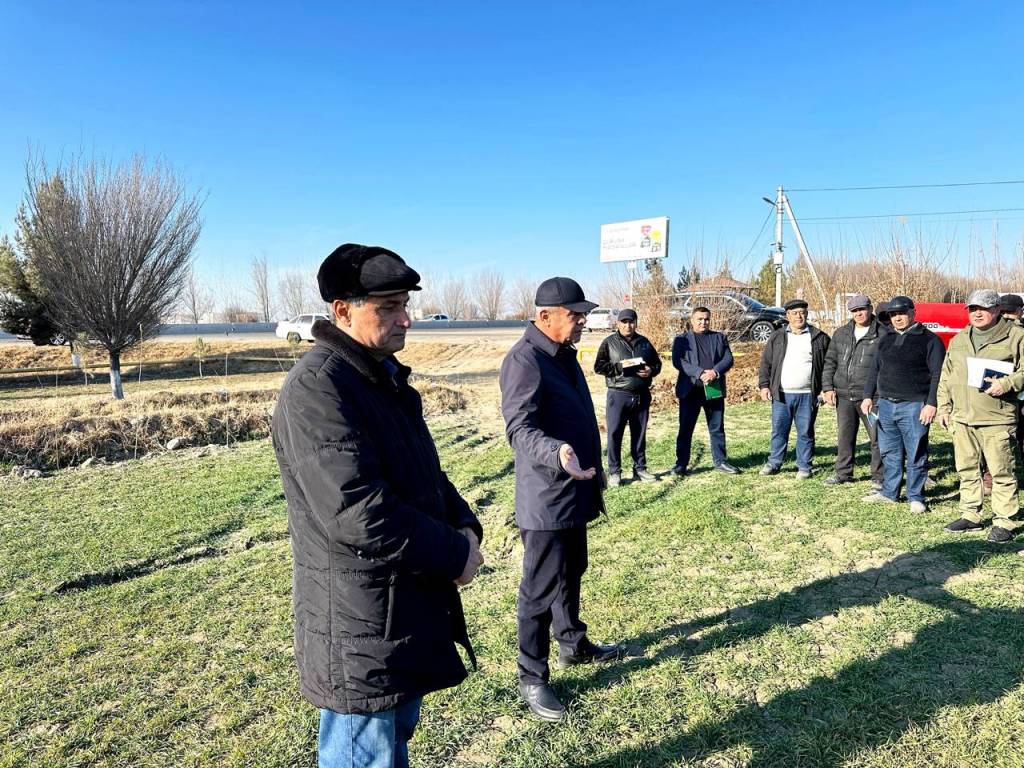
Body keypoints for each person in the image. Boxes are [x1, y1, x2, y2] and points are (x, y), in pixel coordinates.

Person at [272, 243, 485, 768]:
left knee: (391, 743)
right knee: (365, 753)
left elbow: (424, 475)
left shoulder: (381, 379)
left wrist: (463, 524)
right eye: (387, 307)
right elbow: (358, 511)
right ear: (342, 311)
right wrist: (453, 555)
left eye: (404, 305)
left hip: (398, 607)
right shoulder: (319, 390)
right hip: (358, 618)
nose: (405, 320)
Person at [500, 276, 620, 723]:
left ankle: (572, 642)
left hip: (577, 486)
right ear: (545, 316)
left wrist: (591, 465)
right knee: (539, 588)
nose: (583, 322)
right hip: (547, 497)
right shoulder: (525, 360)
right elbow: (520, 428)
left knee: (573, 569)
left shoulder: (563, 355)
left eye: (583, 314)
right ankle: (532, 675)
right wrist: (557, 452)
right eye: (576, 315)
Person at [938, 289, 1024, 542]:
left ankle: (1005, 521)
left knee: (1001, 472)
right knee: (966, 468)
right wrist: (944, 406)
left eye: (983, 308)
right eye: (972, 309)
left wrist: (1007, 384)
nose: (977, 313)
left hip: (996, 418)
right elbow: (947, 375)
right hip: (963, 417)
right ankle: (971, 514)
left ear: (997, 309)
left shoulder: (1016, 336)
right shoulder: (960, 338)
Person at [861, 295, 945, 513]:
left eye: (901, 313)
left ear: (912, 313)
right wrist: (868, 396)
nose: (897, 318)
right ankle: (889, 492)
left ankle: (915, 496)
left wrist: (931, 403)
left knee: (916, 452)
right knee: (890, 452)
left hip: (915, 405)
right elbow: (874, 370)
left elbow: (938, 374)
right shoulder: (885, 339)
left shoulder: (930, 340)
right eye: (893, 314)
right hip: (886, 405)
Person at [757, 298, 831, 478]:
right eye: (795, 313)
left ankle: (804, 466)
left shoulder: (819, 337)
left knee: (805, 432)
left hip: (808, 395)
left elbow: (828, 366)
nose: (799, 316)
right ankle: (774, 462)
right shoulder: (777, 336)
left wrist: (825, 389)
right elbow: (766, 363)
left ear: (807, 314)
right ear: (787, 316)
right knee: (779, 431)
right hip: (781, 394)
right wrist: (764, 385)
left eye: (802, 312)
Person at [821, 294, 886, 489]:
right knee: (845, 436)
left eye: (862, 309)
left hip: (871, 397)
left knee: (877, 436)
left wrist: (879, 393)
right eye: (855, 310)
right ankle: (843, 473)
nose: (859, 313)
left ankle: (879, 477)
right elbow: (830, 362)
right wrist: (827, 388)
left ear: (870, 308)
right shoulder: (841, 333)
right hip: (843, 394)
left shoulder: (882, 334)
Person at [593, 308, 662, 486]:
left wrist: (651, 371)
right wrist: (619, 368)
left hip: (641, 395)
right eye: (624, 322)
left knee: (639, 434)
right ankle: (615, 472)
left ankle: (640, 468)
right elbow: (599, 366)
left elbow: (657, 363)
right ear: (618, 323)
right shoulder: (609, 342)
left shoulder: (644, 342)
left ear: (636, 323)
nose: (628, 325)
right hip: (618, 395)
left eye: (631, 322)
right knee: (615, 434)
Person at [671, 305, 740, 476]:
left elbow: (728, 358)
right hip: (690, 390)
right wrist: (699, 373)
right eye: (700, 319)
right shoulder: (681, 340)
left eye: (706, 319)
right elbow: (678, 361)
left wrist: (714, 372)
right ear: (692, 321)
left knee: (717, 428)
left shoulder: (719, 337)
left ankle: (721, 462)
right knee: (686, 429)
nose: (703, 322)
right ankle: (681, 464)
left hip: (713, 389)